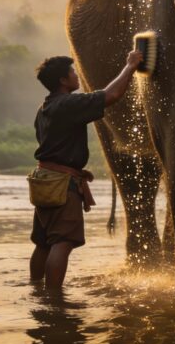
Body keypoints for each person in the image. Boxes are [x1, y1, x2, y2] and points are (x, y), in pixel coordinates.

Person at [29, 50, 142, 289]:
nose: (75, 74)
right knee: (62, 242)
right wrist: (130, 66)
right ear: (62, 80)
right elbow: (110, 95)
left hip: (44, 181)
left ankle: (36, 290)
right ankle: (53, 300)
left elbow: (51, 146)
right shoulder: (69, 104)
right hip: (62, 185)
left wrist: (77, 170)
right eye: (71, 72)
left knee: (43, 242)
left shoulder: (44, 108)